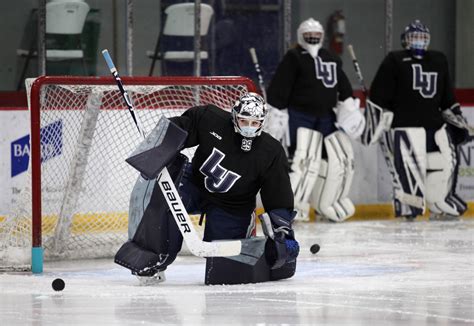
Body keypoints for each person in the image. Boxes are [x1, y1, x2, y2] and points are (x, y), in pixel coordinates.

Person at [115, 92, 299, 284]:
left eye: (254, 123)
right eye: (244, 121)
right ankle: (152, 261)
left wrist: (282, 232)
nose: (248, 128)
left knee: (225, 269)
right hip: (194, 184)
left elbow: (278, 193)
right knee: (163, 201)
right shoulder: (211, 118)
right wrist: (160, 140)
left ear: (262, 122)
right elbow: (183, 126)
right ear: (235, 114)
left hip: (233, 205)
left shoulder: (271, 151)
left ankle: (241, 235)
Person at [265, 17, 365, 222]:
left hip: (327, 116)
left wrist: (349, 104)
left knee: (338, 161)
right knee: (303, 161)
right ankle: (294, 206)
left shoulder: (331, 57)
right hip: (300, 115)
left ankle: (327, 202)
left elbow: (343, 87)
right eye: (308, 35)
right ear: (300, 36)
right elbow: (279, 88)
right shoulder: (294, 57)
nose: (312, 38)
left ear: (322, 36)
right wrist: (277, 111)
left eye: (316, 35)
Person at [368, 20, 470, 220]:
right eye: (414, 37)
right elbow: (380, 92)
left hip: (434, 125)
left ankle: (439, 202)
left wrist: (456, 114)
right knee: (409, 170)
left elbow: (447, 95)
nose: (418, 41)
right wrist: (383, 112)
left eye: (422, 37)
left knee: (443, 165)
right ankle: (410, 208)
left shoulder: (439, 59)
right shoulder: (395, 60)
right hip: (406, 125)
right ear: (405, 40)